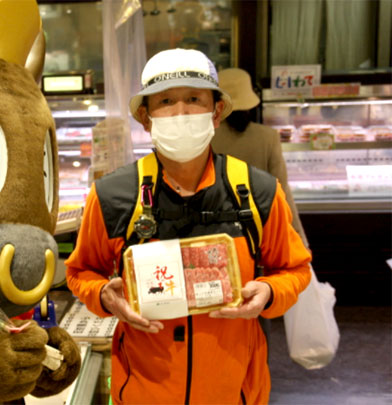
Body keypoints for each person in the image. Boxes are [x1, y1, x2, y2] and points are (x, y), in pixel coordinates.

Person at [65, 48, 311, 404]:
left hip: (235, 390)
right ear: (145, 117)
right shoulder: (111, 195)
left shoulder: (257, 192)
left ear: (216, 112)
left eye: (194, 99)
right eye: (165, 101)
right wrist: (104, 295)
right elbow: (81, 271)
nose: (180, 113)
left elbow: (295, 268)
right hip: (143, 390)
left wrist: (270, 294)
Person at [212, 67, 308, 246]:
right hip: (261, 231)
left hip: (216, 234)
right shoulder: (268, 137)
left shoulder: (205, 138)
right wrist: (299, 239)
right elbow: (282, 190)